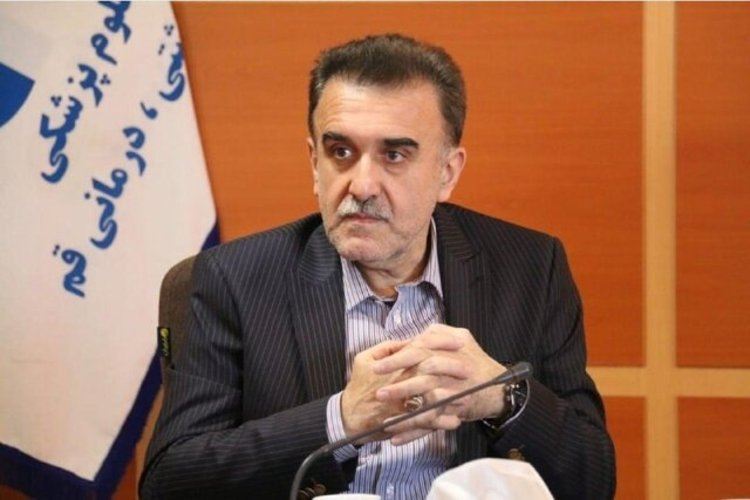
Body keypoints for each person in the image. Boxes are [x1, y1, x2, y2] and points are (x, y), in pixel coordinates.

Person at [140, 34, 615, 499]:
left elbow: (593, 478)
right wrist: (341, 419)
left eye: (394, 155)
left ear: (447, 172)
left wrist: (501, 397)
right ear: (314, 163)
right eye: (340, 152)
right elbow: (170, 481)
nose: (362, 185)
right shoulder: (232, 281)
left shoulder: (530, 268)